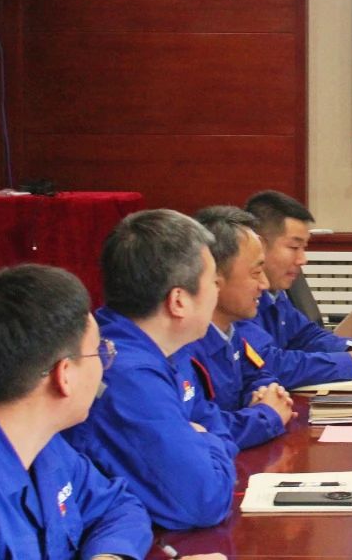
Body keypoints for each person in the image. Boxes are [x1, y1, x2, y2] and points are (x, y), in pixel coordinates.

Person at [0, 265, 152, 559]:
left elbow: (118, 506)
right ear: (64, 375)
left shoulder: (37, 434)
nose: (103, 364)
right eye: (98, 351)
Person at [64, 209, 238, 530]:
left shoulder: (170, 347)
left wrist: (202, 440)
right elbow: (205, 500)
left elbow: (209, 418)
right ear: (179, 301)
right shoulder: (127, 375)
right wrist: (207, 443)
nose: (218, 290)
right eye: (213, 281)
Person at [244, 190, 352, 378]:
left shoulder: (275, 292)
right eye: (294, 247)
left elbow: (306, 336)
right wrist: (351, 364)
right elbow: (267, 364)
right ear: (259, 244)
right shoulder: (239, 299)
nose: (302, 259)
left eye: (304, 248)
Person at [188, 206, 295, 449]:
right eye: (256, 273)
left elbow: (257, 374)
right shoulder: (185, 343)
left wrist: (266, 394)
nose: (264, 285)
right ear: (214, 278)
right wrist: (267, 415)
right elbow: (200, 432)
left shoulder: (230, 330)